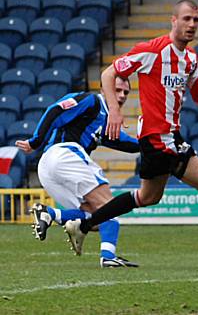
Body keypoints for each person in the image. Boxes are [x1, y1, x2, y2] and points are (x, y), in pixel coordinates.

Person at [63, 0, 198, 269]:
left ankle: (83, 224)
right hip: (158, 139)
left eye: (196, 20)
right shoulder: (152, 51)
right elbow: (109, 73)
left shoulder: (191, 59)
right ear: (174, 20)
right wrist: (115, 112)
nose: (191, 25)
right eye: (187, 19)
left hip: (169, 137)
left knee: (148, 197)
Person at [16, 77, 139, 268]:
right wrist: (36, 140)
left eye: (125, 92)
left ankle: (50, 214)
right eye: (117, 90)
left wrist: (153, 144)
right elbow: (56, 110)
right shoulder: (91, 101)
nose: (122, 96)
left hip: (49, 168)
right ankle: (108, 257)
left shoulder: (108, 122)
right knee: (110, 207)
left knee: (95, 219)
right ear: (104, 89)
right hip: (64, 154)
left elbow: (128, 144)